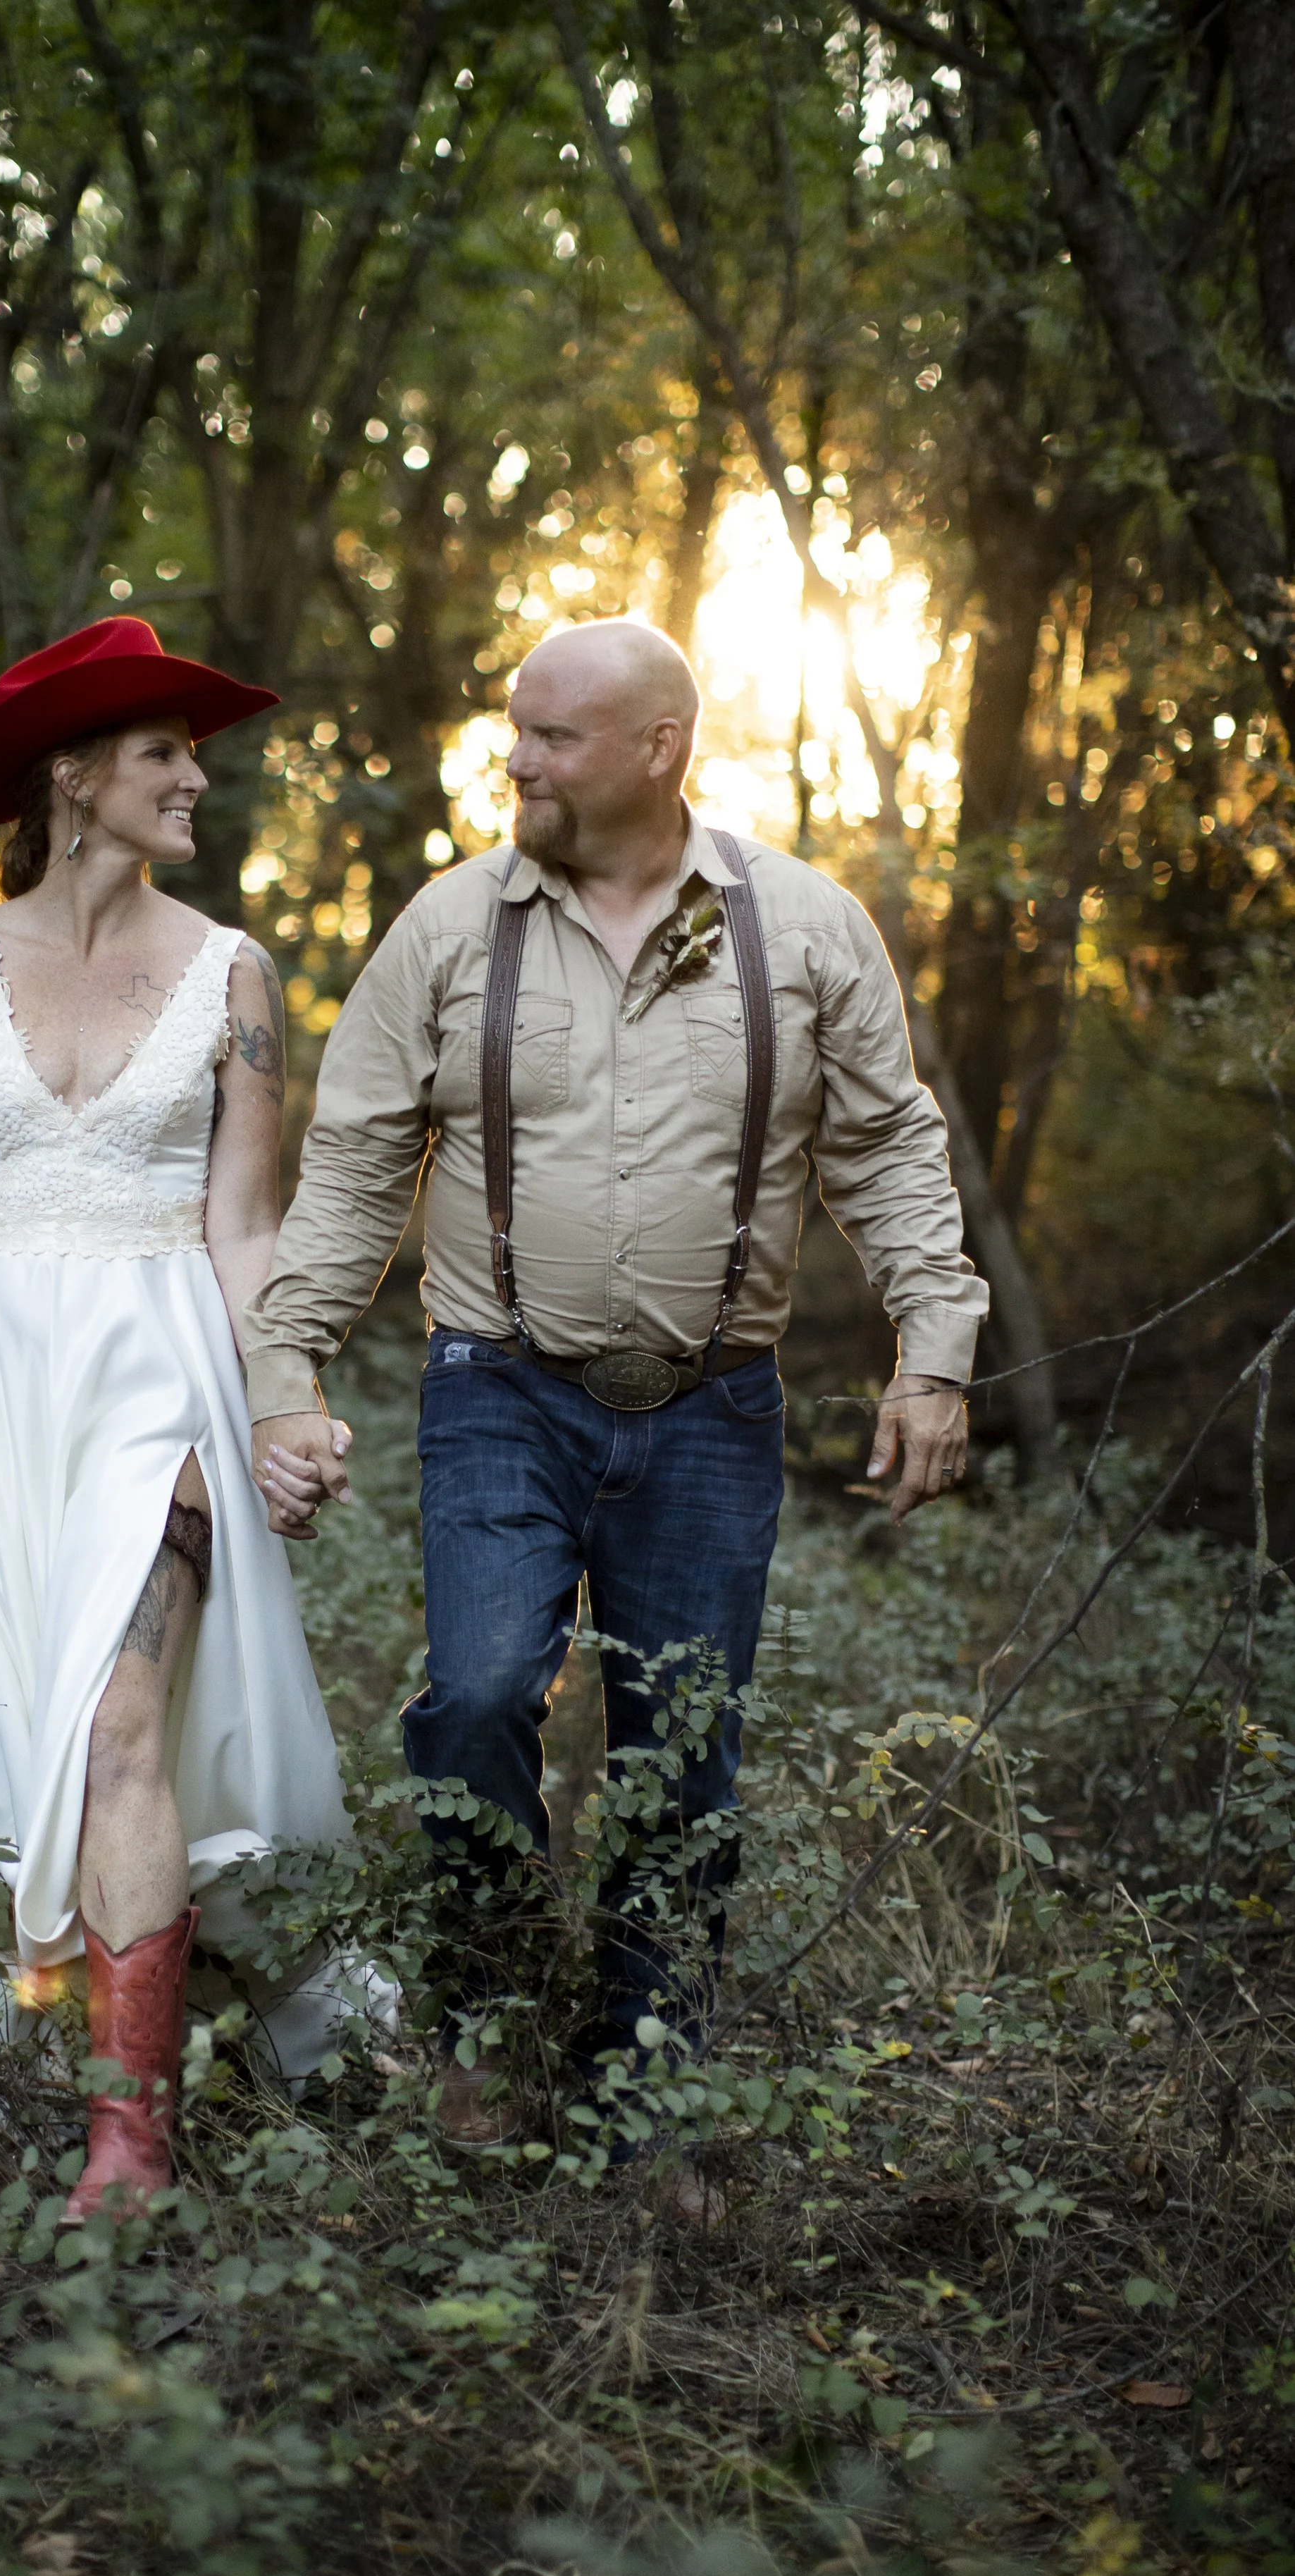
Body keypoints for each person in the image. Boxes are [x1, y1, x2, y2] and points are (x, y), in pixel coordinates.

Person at [247, 617, 987, 2145]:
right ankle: (483, 2021)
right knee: (474, 1700)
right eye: (513, 728)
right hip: (497, 1385)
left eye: (553, 736)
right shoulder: (452, 928)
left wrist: (934, 1353)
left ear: (658, 749)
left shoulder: (804, 927)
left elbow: (887, 1154)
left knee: (680, 1750)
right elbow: (354, 1163)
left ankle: (642, 2086)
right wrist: (283, 1361)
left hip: (714, 1410)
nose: (515, 759)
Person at [0, 616, 352, 2224]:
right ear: (72, 777)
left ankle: (130, 2146)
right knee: (12, 1741)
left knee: (126, 1725)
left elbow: (246, 1231)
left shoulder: (234, 977)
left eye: (192, 755)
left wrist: (288, 1388)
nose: (196, 779)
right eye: (162, 753)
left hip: (154, 1375)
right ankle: (53, 2043)